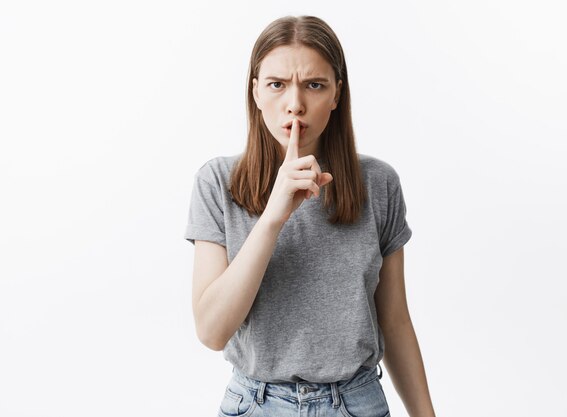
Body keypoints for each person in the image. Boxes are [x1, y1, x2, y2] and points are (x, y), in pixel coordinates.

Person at [184, 15, 436, 417]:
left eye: (314, 85)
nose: (295, 104)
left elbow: (395, 321)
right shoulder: (217, 183)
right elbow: (212, 332)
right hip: (256, 404)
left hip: (357, 404)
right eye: (277, 84)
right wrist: (272, 218)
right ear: (255, 92)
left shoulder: (379, 184)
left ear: (337, 93)